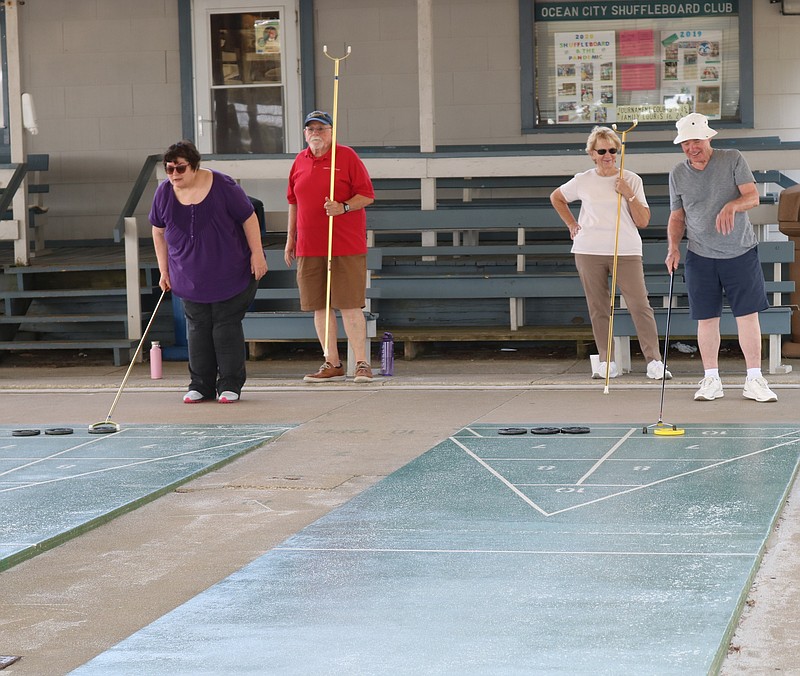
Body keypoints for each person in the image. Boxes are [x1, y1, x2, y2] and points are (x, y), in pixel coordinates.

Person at [666, 112, 778, 402]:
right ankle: (711, 379)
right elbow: (677, 217)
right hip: (700, 255)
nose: (692, 148)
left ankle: (754, 379)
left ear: (709, 138)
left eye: (697, 141)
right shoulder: (677, 173)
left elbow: (752, 196)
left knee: (747, 316)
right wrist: (673, 247)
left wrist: (733, 206)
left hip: (739, 251)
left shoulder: (732, 158)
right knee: (706, 319)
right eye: (686, 143)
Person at [150, 140, 268, 404]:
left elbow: (249, 218)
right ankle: (200, 384)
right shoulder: (164, 193)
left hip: (231, 270)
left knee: (225, 326)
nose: (174, 175)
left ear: (194, 166)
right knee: (198, 328)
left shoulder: (223, 185)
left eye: (180, 168)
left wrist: (258, 255)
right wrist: (163, 270)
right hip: (188, 275)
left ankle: (230, 384)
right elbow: (158, 231)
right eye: (169, 169)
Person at [551, 125, 670, 381]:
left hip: (625, 250)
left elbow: (643, 220)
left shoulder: (631, 179)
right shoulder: (582, 179)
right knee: (598, 307)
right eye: (602, 150)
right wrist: (572, 224)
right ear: (592, 153)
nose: (608, 155)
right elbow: (556, 197)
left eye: (613, 150)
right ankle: (606, 360)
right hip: (589, 250)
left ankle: (654, 361)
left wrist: (628, 194)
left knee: (640, 305)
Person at [285, 111, 376, 383]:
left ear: (331, 131)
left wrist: (343, 207)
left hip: (344, 244)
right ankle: (332, 361)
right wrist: (291, 237)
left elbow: (367, 195)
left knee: (349, 304)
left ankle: (361, 362)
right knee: (319, 306)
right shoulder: (299, 161)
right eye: (310, 129)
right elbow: (293, 201)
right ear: (304, 134)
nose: (315, 133)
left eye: (321, 129)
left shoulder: (346, 156)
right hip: (309, 245)